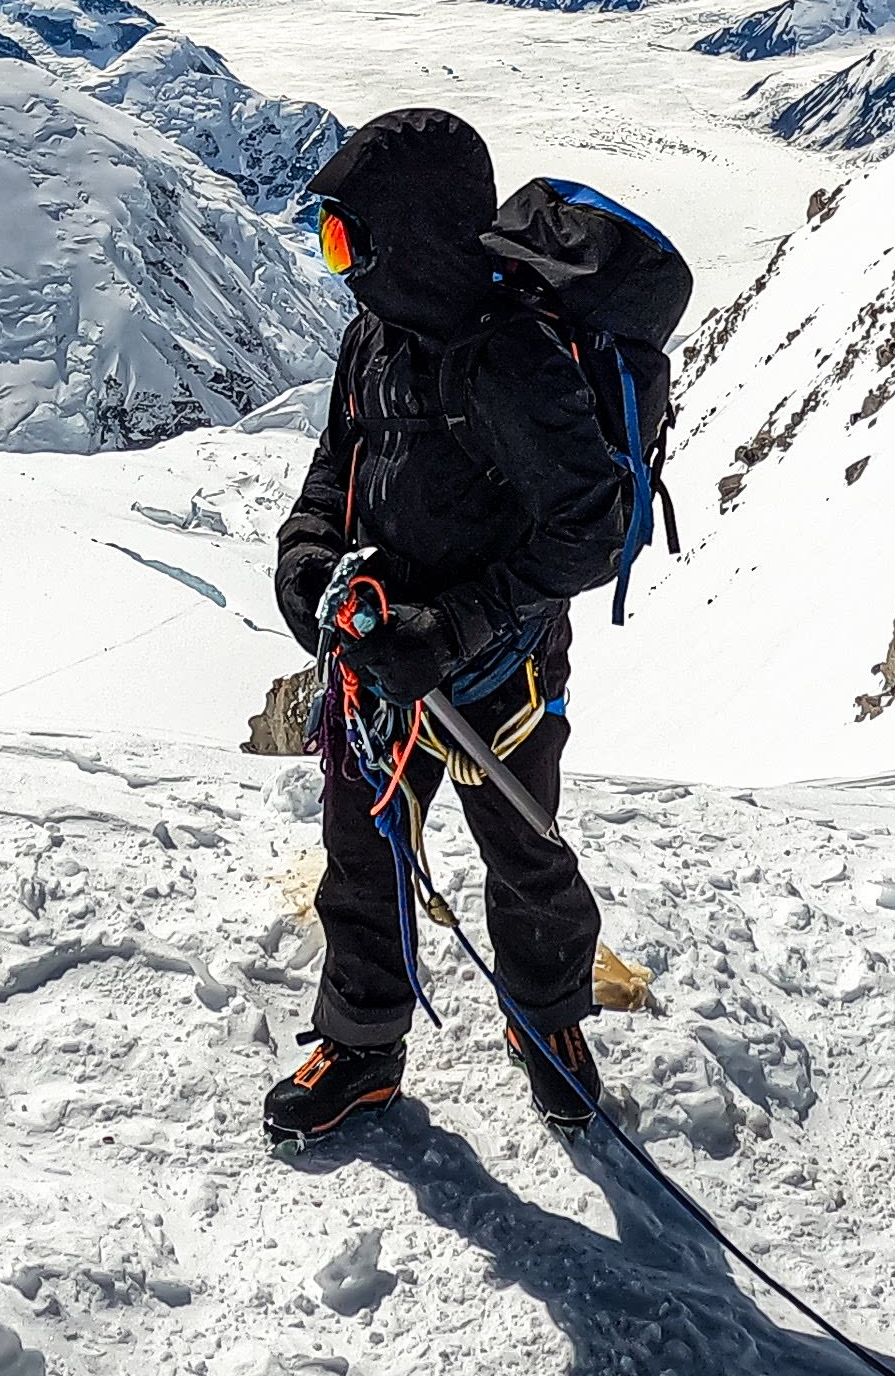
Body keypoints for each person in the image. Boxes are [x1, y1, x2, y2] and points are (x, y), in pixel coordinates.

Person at [267, 107, 632, 1148]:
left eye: (347, 237)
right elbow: (339, 467)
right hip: (382, 657)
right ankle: (364, 1042)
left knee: (524, 849)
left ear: (414, 234)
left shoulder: (510, 359)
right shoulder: (371, 338)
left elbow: (586, 530)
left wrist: (457, 623)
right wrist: (303, 559)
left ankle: (548, 1018)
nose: (337, 263)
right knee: (363, 844)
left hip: (496, 672)